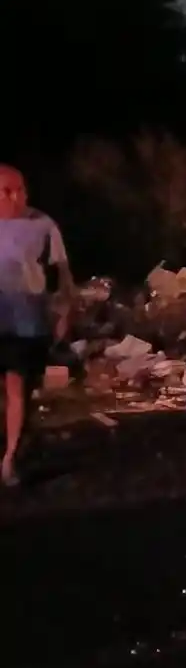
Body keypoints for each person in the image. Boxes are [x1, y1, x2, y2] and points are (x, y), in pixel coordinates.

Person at [0, 165, 73, 486]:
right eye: (6, 191)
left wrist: (64, 312)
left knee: (19, 389)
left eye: (20, 189)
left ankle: (10, 458)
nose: (15, 197)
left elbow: (63, 275)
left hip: (27, 324)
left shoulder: (42, 226)